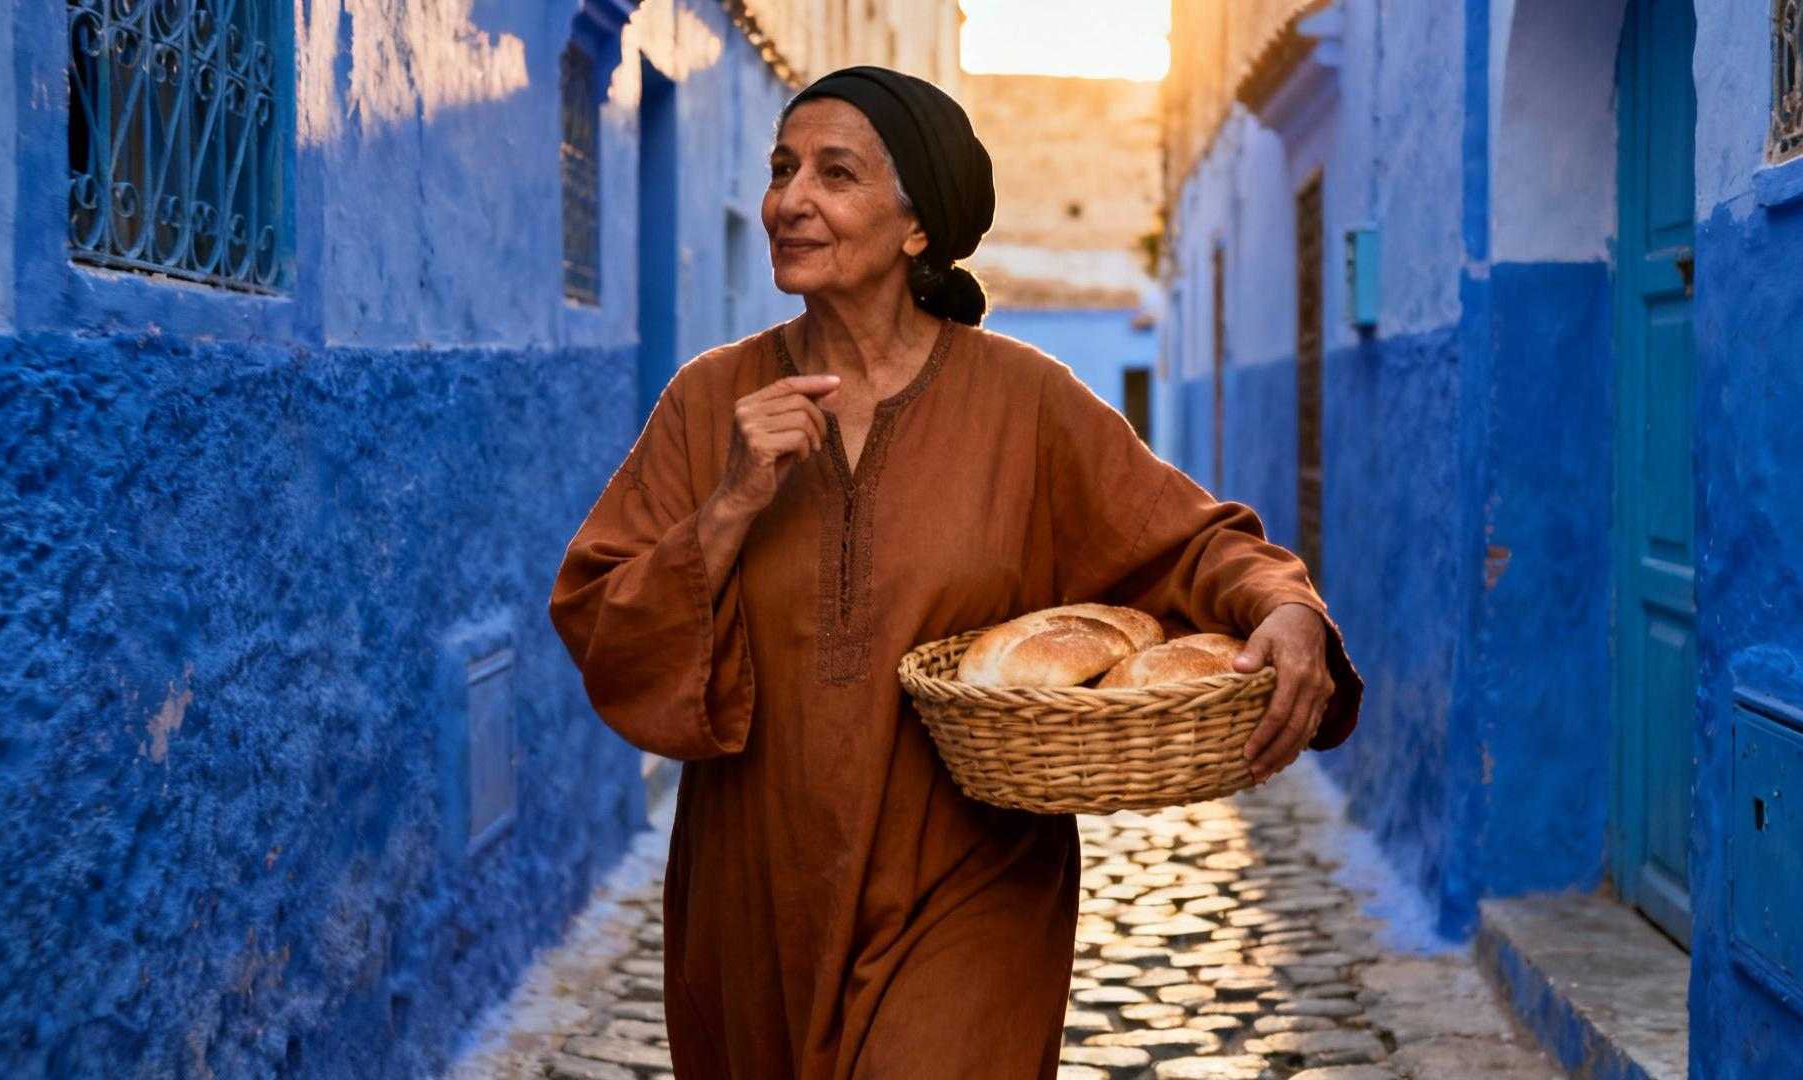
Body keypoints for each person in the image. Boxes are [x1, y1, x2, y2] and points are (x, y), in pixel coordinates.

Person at [548, 65, 1364, 1080]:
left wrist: (1283, 606)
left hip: (971, 878)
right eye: (781, 169)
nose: (789, 200)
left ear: (917, 227)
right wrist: (729, 507)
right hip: (756, 891)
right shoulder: (710, 401)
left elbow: (1185, 541)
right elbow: (600, 614)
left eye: (835, 174)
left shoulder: (1025, 402)